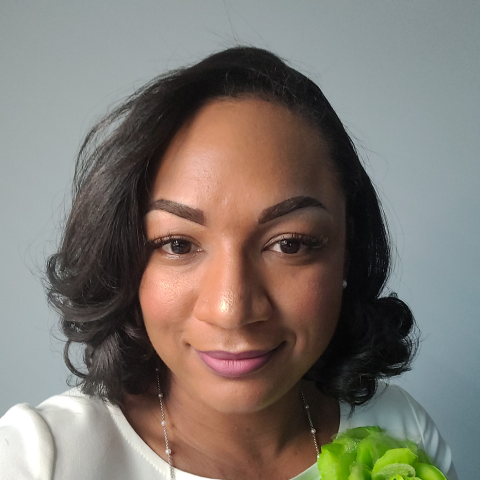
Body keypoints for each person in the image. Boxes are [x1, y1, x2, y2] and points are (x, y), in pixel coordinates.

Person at [0, 47, 457, 480]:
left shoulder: (403, 429)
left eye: (290, 244)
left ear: (347, 249)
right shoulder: (41, 458)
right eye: (178, 244)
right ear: (125, 259)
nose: (231, 310)